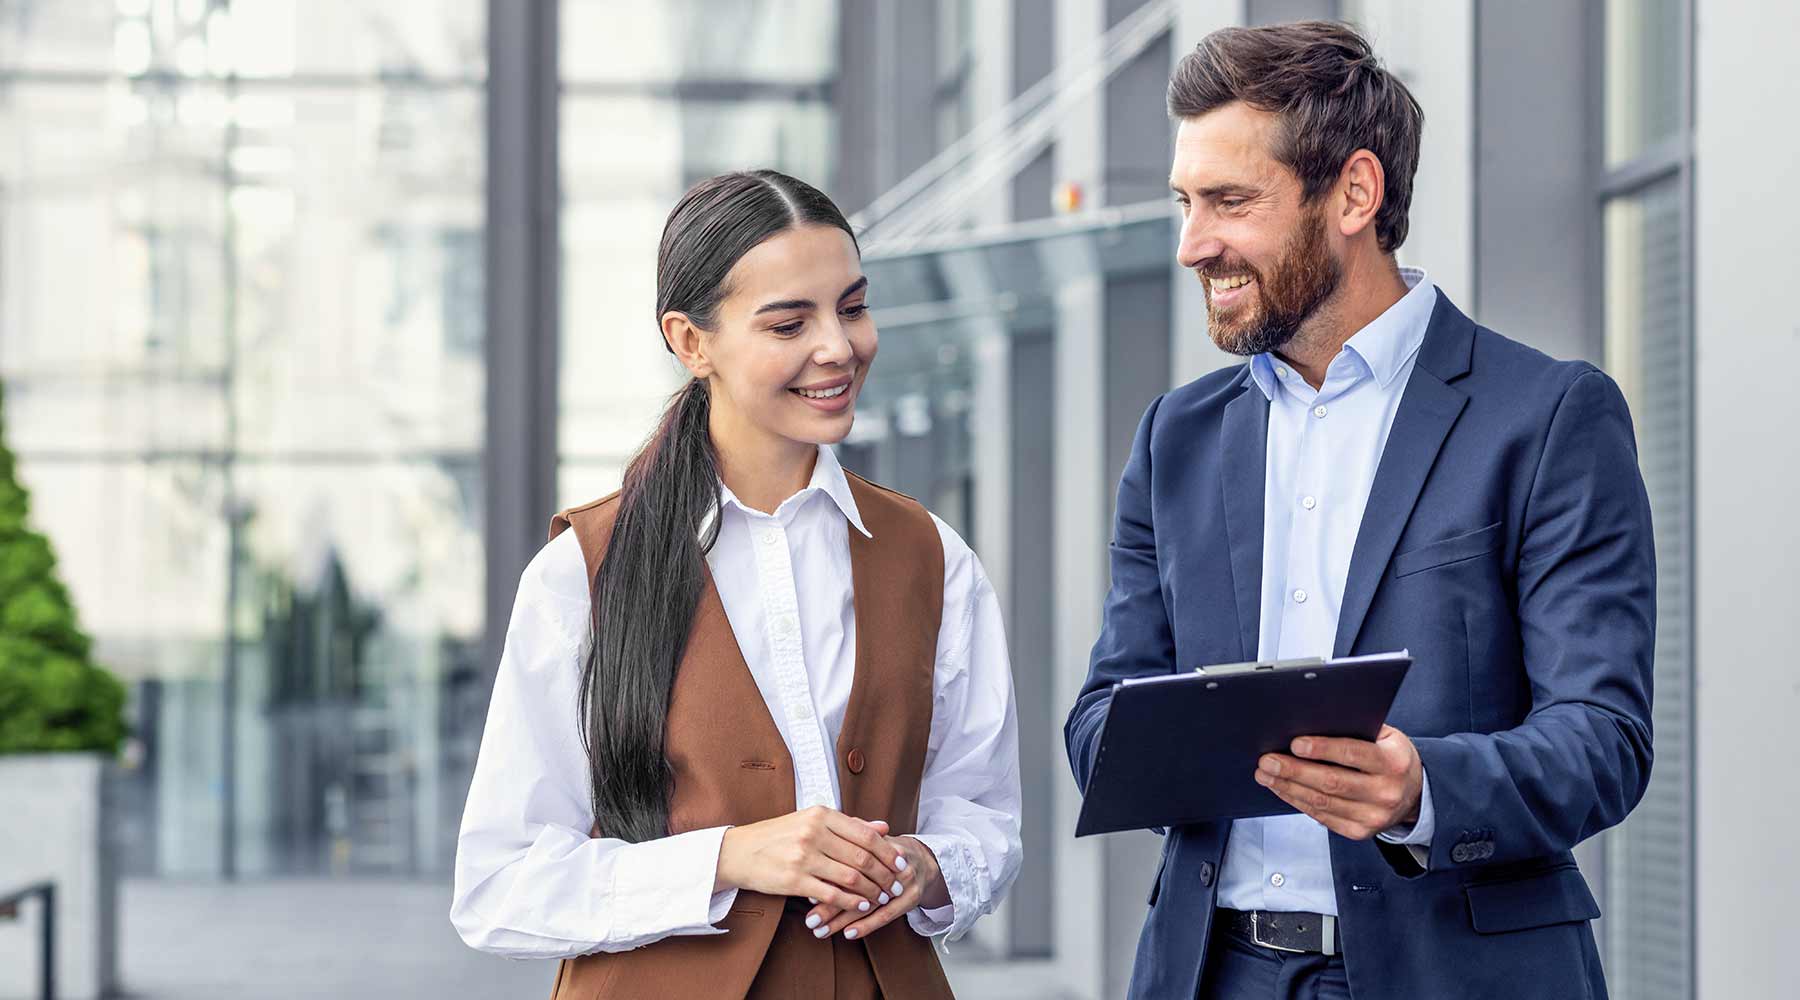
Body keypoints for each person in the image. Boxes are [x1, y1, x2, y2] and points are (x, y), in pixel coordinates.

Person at [1064, 22, 1654, 1000]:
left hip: (1457, 972)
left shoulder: (1548, 415)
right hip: (1217, 973)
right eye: (1185, 203)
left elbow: (1603, 735)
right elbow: (1098, 719)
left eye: (1229, 202)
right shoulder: (1178, 436)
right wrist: (1176, 734)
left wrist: (1424, 786)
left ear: (1353, 193)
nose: (1192, 244)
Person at [452, 169, 1022, 999]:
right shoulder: (580, 574)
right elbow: (498, 884)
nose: (838, 346)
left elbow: (986, 817)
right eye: (790, 321)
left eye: (853, 307)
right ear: (691, 342)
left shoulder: (932, 556)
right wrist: (729, 858)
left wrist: (923, 865)